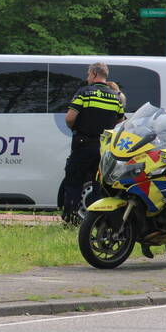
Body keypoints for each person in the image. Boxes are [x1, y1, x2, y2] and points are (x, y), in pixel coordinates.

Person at [61, 62, 125, 223]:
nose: (87, 77)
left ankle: (71, 217)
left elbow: (69, 118)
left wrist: (75, 128)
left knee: (74, 180)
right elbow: (120, 122)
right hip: (104, 147)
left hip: (83, 143)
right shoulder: (116, 97)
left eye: (88, 74)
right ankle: (97, 220)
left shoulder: (84, 93)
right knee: (99, 184)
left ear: (95, 74)